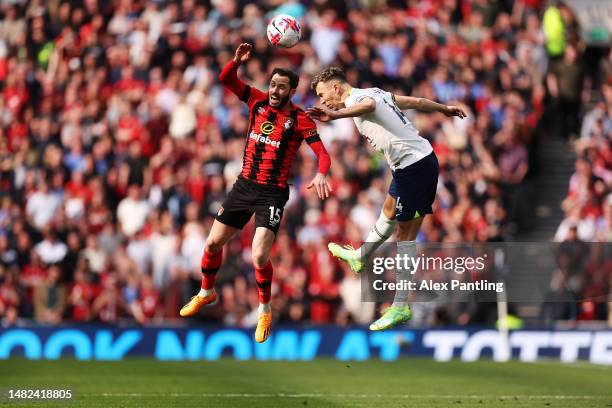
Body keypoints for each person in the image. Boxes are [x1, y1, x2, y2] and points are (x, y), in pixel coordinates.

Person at [180, 43, 332, 343]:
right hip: (244, 185)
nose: (275, 90)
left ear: (291, 92)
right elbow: (226, 79)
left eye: (282, 87)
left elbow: (323, 154)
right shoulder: (256, 101)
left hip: (272, 193)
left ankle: (264, 311)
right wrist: (235, 61)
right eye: (273, 84)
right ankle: (206, 292)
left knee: (259, 254)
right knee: (212, 244)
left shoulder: (300, 119)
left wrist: (321, 172)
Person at [309, 67, 466, 331]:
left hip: (415, 166)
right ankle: (360, 257)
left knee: (405, 236)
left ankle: (400, 305)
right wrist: (443, 109)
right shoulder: (375, 91)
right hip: (409, 166)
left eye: (323, 94)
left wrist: (335, 114)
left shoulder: (361, 99)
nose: (322, 101)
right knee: (389, 210)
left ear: (336, 87)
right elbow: (414, 102)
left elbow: (367, 106)